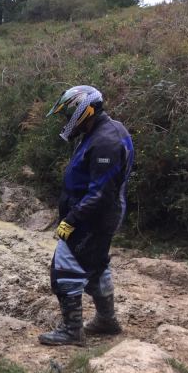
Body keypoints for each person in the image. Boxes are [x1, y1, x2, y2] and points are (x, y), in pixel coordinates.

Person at [40, 85, 134, 346]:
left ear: (83, 111)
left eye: (67, 115)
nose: (66, 121)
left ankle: (72, 331)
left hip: (93, 219)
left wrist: (71, 220)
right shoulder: (102, 131)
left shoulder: (106, 141)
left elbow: (100, 194)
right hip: (100, 216)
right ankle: (106, 320)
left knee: (64, 269)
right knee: (97, 266)